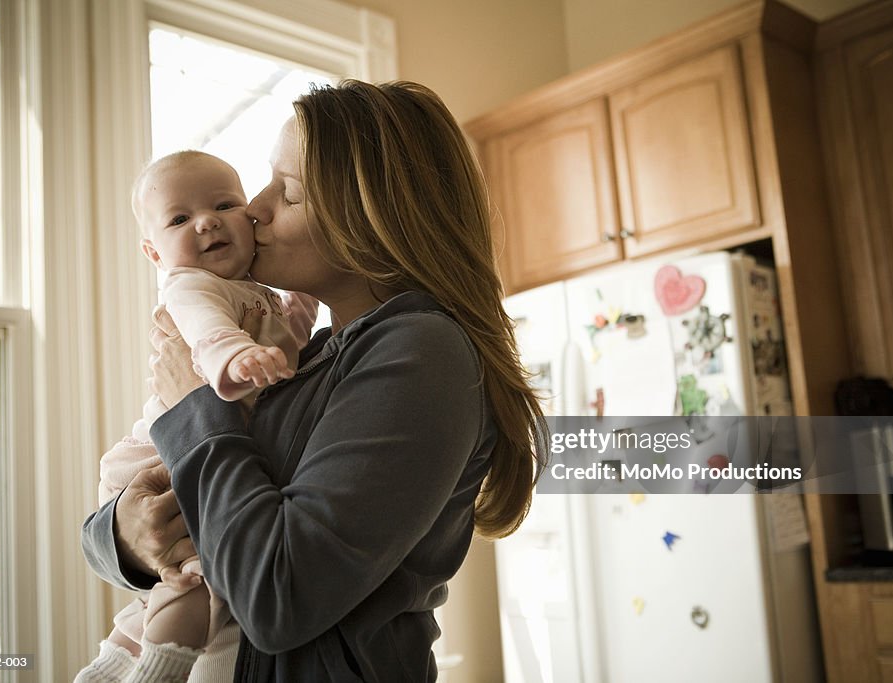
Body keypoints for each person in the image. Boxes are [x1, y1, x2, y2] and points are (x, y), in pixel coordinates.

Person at [81, 80, 547, 681]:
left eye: (289, 193)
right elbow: (194, 520)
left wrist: (195, 404)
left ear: (372, 215)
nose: (254, 209)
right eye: (265, 182)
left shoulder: (421, 353)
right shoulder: (312, 354)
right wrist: (126, 537)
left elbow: (278, 596)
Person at [76, 151, 317, 682]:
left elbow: (293, 331)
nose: (207, 221)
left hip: (194, 450)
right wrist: (233, 356)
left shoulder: (259, 297)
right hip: (155, 458)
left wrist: (307, 293)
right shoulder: (191, 286)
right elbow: (206, 331)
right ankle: (153, 669)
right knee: (192, 580)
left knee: (187, 583)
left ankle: (116, 662)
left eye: (224, 204)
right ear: (154, 252)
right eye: (180, 219)